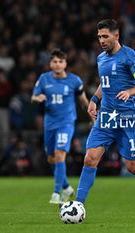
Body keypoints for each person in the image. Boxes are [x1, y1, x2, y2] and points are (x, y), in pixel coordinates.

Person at [75, 19, 135, 209]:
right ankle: (78, 205)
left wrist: (129, 92)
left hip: (127, 118)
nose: (101, 40)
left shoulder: (129, 56)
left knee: (134, 167)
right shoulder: (101, 58)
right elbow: (105, 83)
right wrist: (94, 99)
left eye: (105, 36)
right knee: (90, 158)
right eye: (99, 36)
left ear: (116, 36)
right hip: (106, 116)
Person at [31, 48, 90, 204]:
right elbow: (33, 97)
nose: (57, 65)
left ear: (65, 64)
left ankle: (56, 193)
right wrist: (38, 98)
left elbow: (83, 101)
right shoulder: (44, 79)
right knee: (51, 159)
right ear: (50, 64)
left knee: (59, 155)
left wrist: (93, 117)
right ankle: (67, 188)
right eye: (54, 62)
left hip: (66, 123)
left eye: (60, 62)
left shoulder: (74, 81)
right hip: (49, 124)